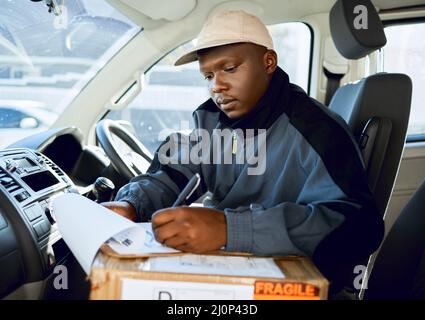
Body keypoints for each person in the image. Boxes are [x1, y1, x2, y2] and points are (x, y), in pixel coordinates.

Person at [103, 10, 384, 290]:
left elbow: (359, 226)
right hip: (228, 267)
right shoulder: (211, 119)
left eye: (230, 68)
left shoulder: (317, 130)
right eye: (208, 75)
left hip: (284, 283)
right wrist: (132, 204)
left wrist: (230, 229)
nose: (217, 86)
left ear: (268, 62)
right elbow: (175, 170)